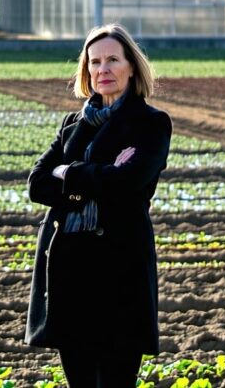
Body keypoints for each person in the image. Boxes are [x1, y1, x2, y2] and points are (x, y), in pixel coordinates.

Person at [24, 23, 172, 387]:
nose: (102, 69)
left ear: (132, 67)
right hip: (68, 272)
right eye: (94, 62)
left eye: (112, 60)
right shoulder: (72, 124)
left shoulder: (151, 124)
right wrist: (96, 177)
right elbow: (38, 184)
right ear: (86, 70)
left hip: (119, 272)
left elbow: (128, 184)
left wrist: (67, 172)